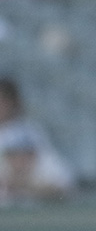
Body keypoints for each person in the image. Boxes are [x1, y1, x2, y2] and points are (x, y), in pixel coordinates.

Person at [0, 78, 75, 207]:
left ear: (13, 103)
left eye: (2, 101)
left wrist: (21, 184)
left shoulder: (27, 134)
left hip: (24, 212)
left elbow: (62, 186)